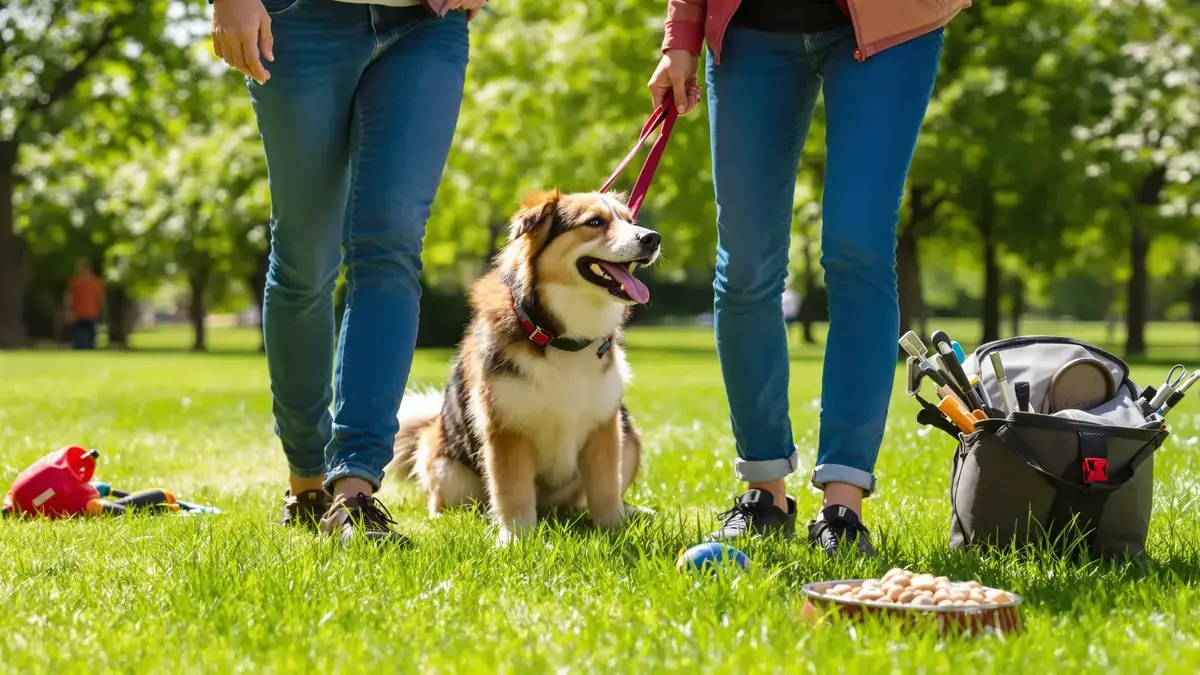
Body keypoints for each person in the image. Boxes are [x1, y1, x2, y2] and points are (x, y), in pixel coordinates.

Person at [648, 0, 968, 555]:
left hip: (889, 24)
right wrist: (681, 35)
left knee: (858, 249)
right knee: (744, 265)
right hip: (748, 29)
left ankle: (843, 504)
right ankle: (763, 491)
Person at [210, 0, 484, 545]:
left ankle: (354, 490)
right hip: (299, 19)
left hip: (427, 23)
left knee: (391, 247)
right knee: (305, 258)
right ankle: (307, 480)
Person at [65, 258, 104, 350]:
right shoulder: (77, 282)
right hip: (81, 314)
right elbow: (70, 298)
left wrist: (69, 311)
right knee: (81, 339)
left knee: (87, 339)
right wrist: (69, 311)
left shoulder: (78, 282)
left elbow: (100, 299)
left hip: (89, 314)